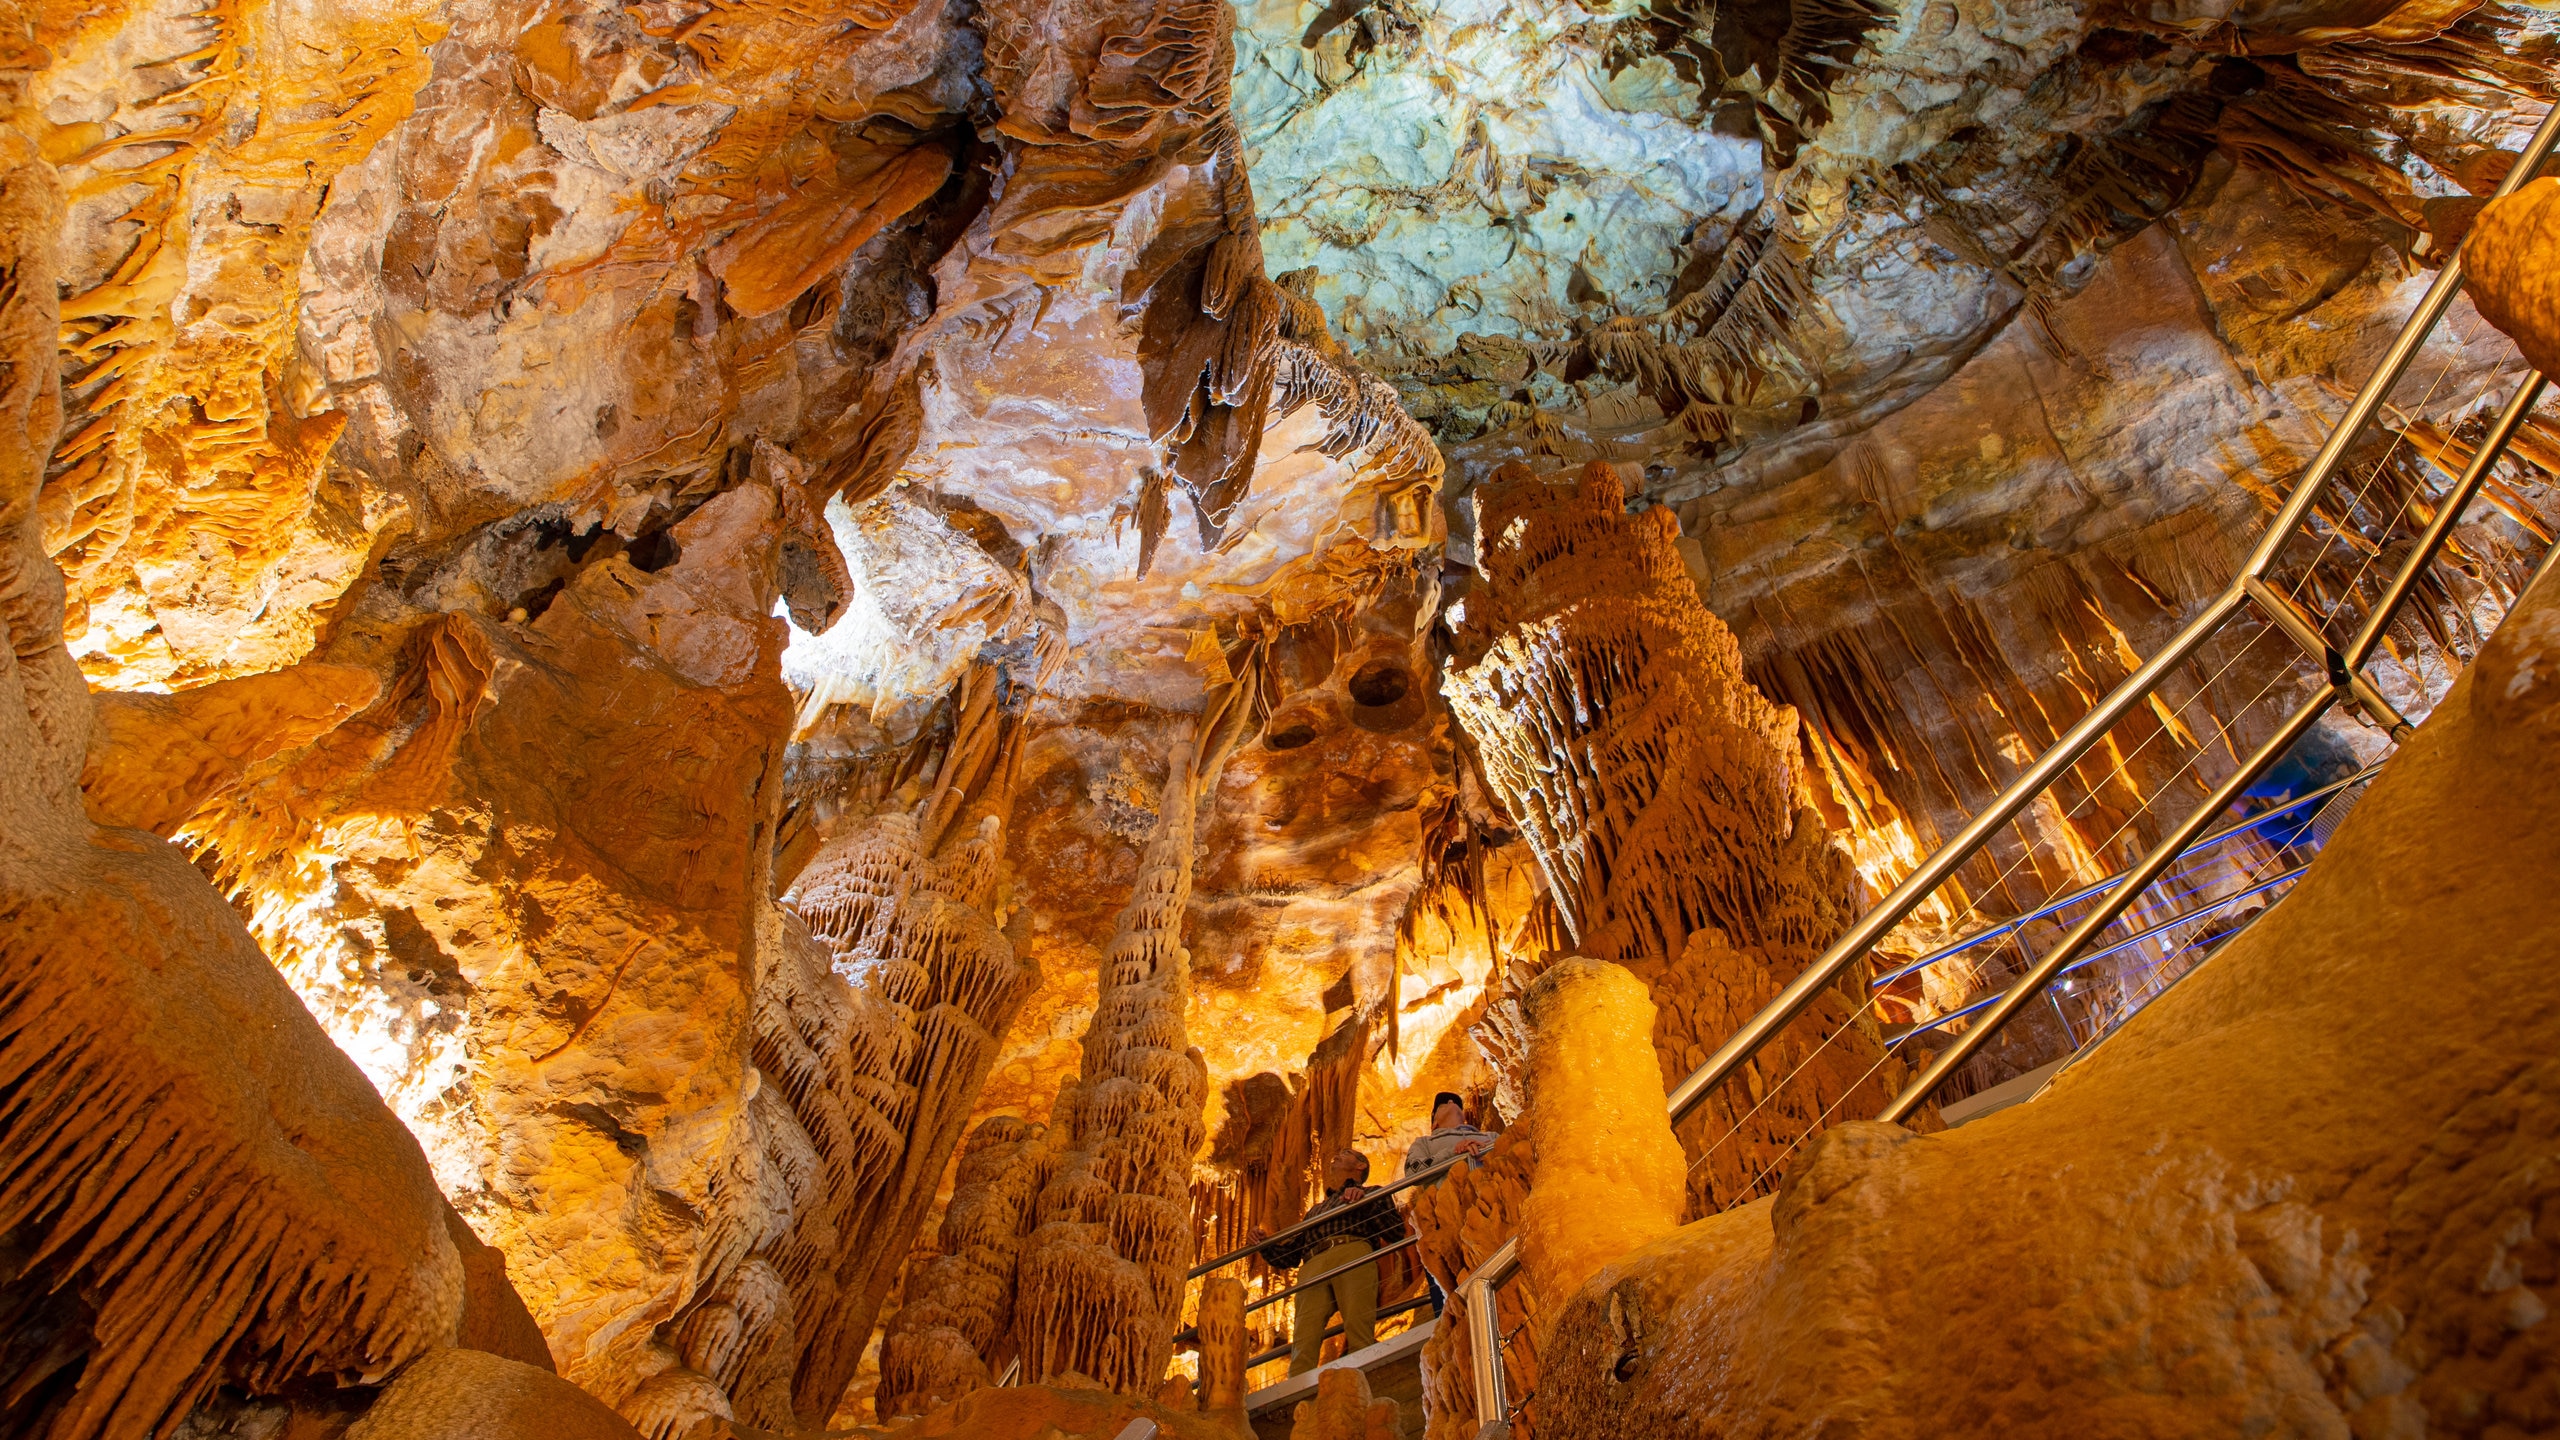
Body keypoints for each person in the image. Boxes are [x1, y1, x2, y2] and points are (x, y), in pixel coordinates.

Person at [1256, 1148, 1404, 1376]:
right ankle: (1297, 1396)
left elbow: (1395, 1231)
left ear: (1360, 1166)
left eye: (1345, 1154)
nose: (1336, 1155)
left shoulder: (1373, 1192)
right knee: (1304, 1338)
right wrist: (1263, 1244)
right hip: (1312, 1264)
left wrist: (1364, 1200)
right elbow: (1290, 1256)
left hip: (1352, 1251)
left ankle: (1365, 1385)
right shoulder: (1315, 1211)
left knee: (1358, 1327)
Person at [1400, 1092, 1492, 1315]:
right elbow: (1413, 1171)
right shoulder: (1425, 1143)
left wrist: (1481, 1145)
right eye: (1443, 1104)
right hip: (1446, 1214)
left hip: (1487, 1208)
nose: (1451, 1104)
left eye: (1455, 1102)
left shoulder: (1488, 1135)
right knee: (1450, 1272)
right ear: (1434, 1121)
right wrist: (1454, 1152)